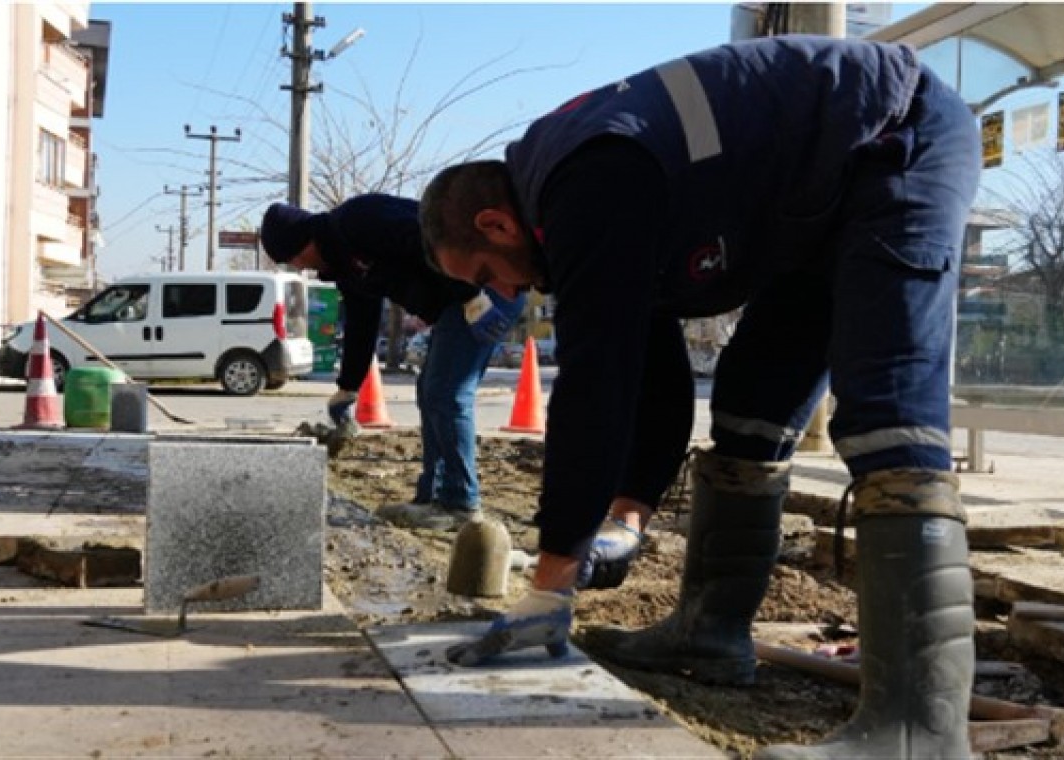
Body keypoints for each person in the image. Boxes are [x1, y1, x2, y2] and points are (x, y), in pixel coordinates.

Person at [420, 33, 980, 760]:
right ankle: (712, 633)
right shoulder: (578, 196)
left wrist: (552, 585)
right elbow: (648, 372)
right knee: (751, 408)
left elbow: (595, 385)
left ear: (495, 224)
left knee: (889, 407)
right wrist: (627, 514)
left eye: (486, 272)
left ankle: (919, 732)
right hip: (811, 205)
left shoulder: (586, 183)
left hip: (895, 138)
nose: (501, 291)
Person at [261, 194, 525, 527]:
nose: (301, 268)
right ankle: (432, 498)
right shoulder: (346, 265)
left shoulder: (359, 219)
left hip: (488, 287)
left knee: (446, 393)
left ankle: (459, 503)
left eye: (295, 259)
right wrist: (348, 388)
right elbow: (362, 323)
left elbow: (430, 239)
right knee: (429, 390)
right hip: (459, 303)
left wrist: (471, 296)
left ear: (304, 243)